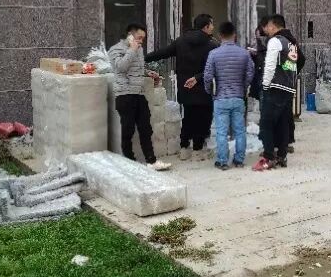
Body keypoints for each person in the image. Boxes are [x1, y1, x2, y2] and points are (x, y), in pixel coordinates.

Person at [147, 14, 218, 161]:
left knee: (188, 116)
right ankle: (197, 150)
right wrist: (198, 78)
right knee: (203, 118)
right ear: (206, 26)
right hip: (203, 88)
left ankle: (184, 148)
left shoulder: (181, 41)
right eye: (211, 24)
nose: (213, 27)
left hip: (185, 87)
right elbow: (214, 68)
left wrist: (143, 58)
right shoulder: (212, 45)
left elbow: (163, 53)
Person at [108, 23, 171, 171]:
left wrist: (148, 73)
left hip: (139, 93)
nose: (141, 41)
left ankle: (151, 160)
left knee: (145, 128)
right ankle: (128, 160)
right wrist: (132, 49)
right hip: (125, 94)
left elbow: (136, 68)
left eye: (143, 38)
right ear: (130, 35)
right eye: (139, 37)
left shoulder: (139, 49)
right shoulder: (115, 49)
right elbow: (121, 67)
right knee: (128, 129)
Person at [203, 21, 254, 170]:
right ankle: (239, 159)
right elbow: (250, 73)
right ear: (234, 35)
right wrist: (243, 87)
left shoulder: (213, 54)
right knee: (240, 130)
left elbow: (207, 76)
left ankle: (222, 161)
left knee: (221, 131)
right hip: (238, 97)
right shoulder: (244, 53)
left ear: (220, 35)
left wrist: (210, 91)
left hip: (220, 98)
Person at [253, 14, 298, 171]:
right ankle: (282, 156)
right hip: (288, 88)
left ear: (273, 26)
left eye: (269, 26)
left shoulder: (275, 41)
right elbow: (290, 67)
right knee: (283, 123)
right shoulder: (291, 44)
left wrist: (265, 86)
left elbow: (270, 65)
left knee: (266, 123)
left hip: (275, 87)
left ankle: (268, 157)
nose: (267, 29)